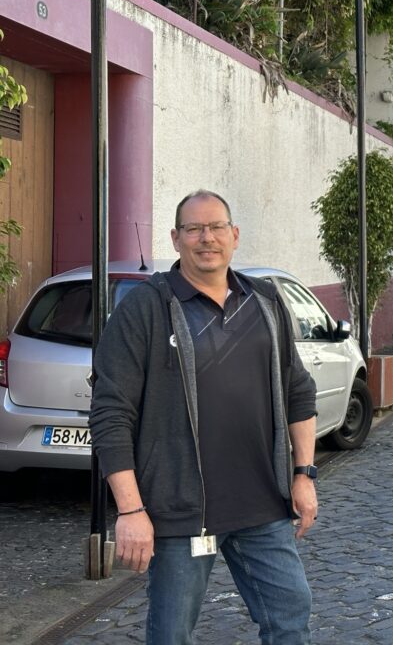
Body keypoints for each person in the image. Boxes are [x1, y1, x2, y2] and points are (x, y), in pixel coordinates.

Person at [89, 189, 318, 645]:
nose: (205, 238)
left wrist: (303, 473)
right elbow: (110, 413)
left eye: (215, 227)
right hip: (178, 511)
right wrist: (131, 508)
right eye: (193, 229)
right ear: (176, 238)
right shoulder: (145, 308)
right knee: (172, 634)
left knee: (291, 615)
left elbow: (298, 390)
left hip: (261, 502)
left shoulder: (265, 301)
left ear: (234, 235)